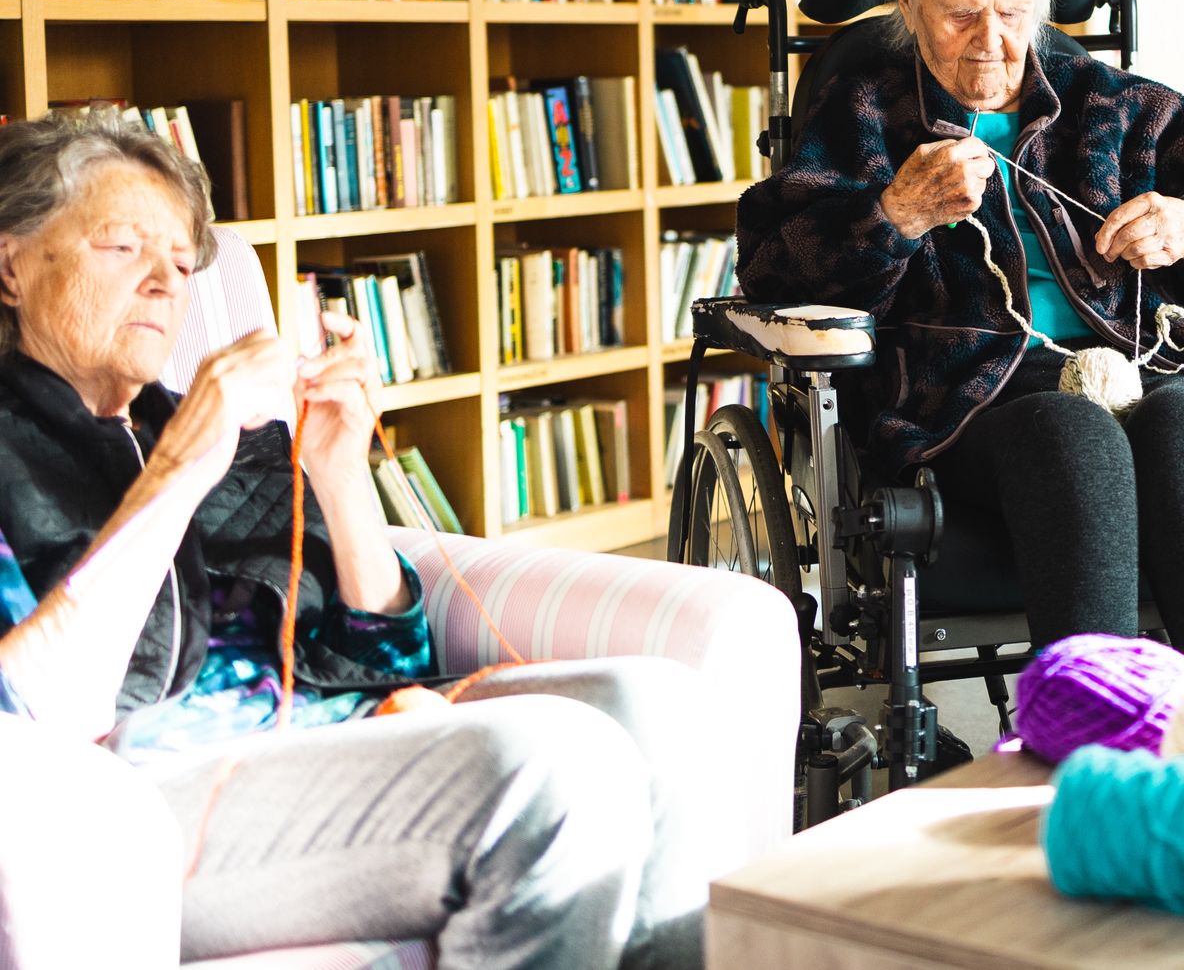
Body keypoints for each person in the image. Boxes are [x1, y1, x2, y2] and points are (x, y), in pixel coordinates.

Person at [0, 111, 707, 969]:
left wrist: (340, 478)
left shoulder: (213, 432)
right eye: (121, 247)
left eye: (182, 264)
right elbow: (32, 707)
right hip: (131, 804)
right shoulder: (119, 443)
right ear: (12, 266)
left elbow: (386, 656)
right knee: (552, 764)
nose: (163, 283)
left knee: (655, 704)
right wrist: (177, 473)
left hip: (318, 735)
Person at [737, 0, 1184, 656]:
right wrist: (895, 214)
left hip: (1147, 360)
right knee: (1075, 434)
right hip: (967, 393)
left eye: (1011, 13)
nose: (991, 41)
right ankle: (1095, 714)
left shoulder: (1126, 109)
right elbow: (772, 270)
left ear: (1038, 5)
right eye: (960, 14)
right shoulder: (860, 112)